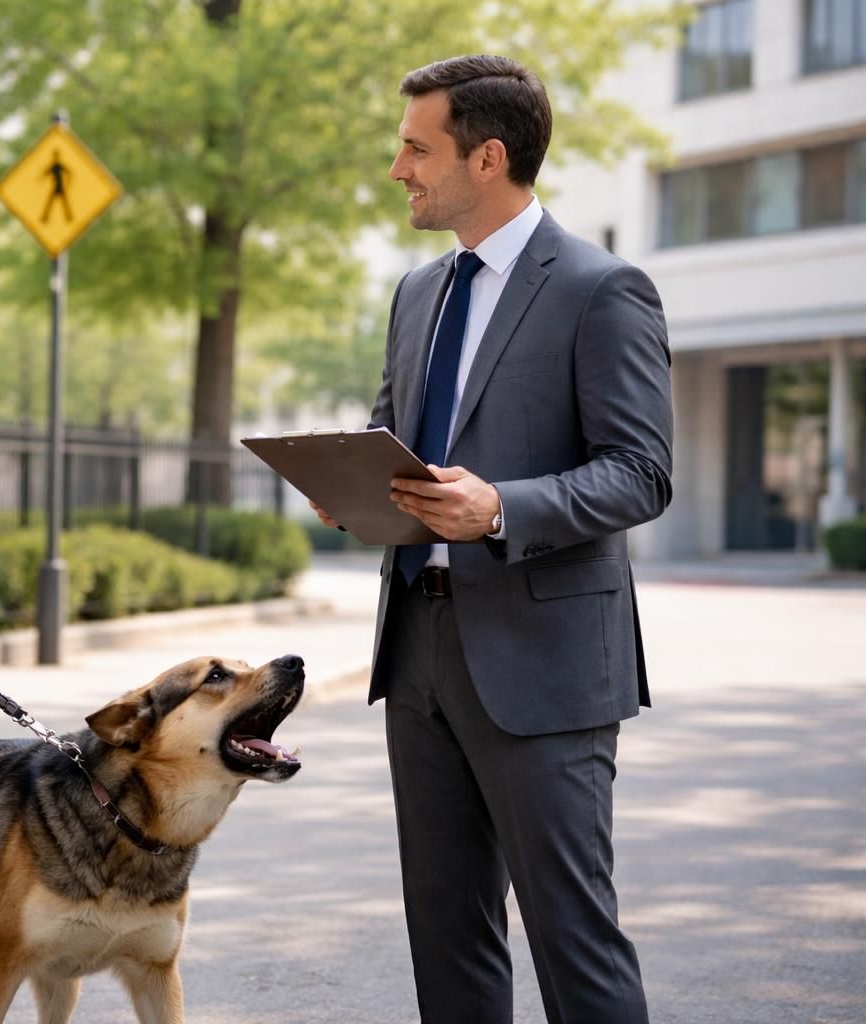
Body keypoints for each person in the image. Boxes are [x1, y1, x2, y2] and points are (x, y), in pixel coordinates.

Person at [313, 55, 670, 1022]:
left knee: (573, 939)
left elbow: (641, 472)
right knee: (447, 940)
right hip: (418, 650)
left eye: (416, 148)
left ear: (488, 158)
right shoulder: (416, 295)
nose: (399, 170)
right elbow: (398, 444)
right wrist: (348, 489)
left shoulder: (603, 289)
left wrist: (502, 508)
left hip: (543, 662)